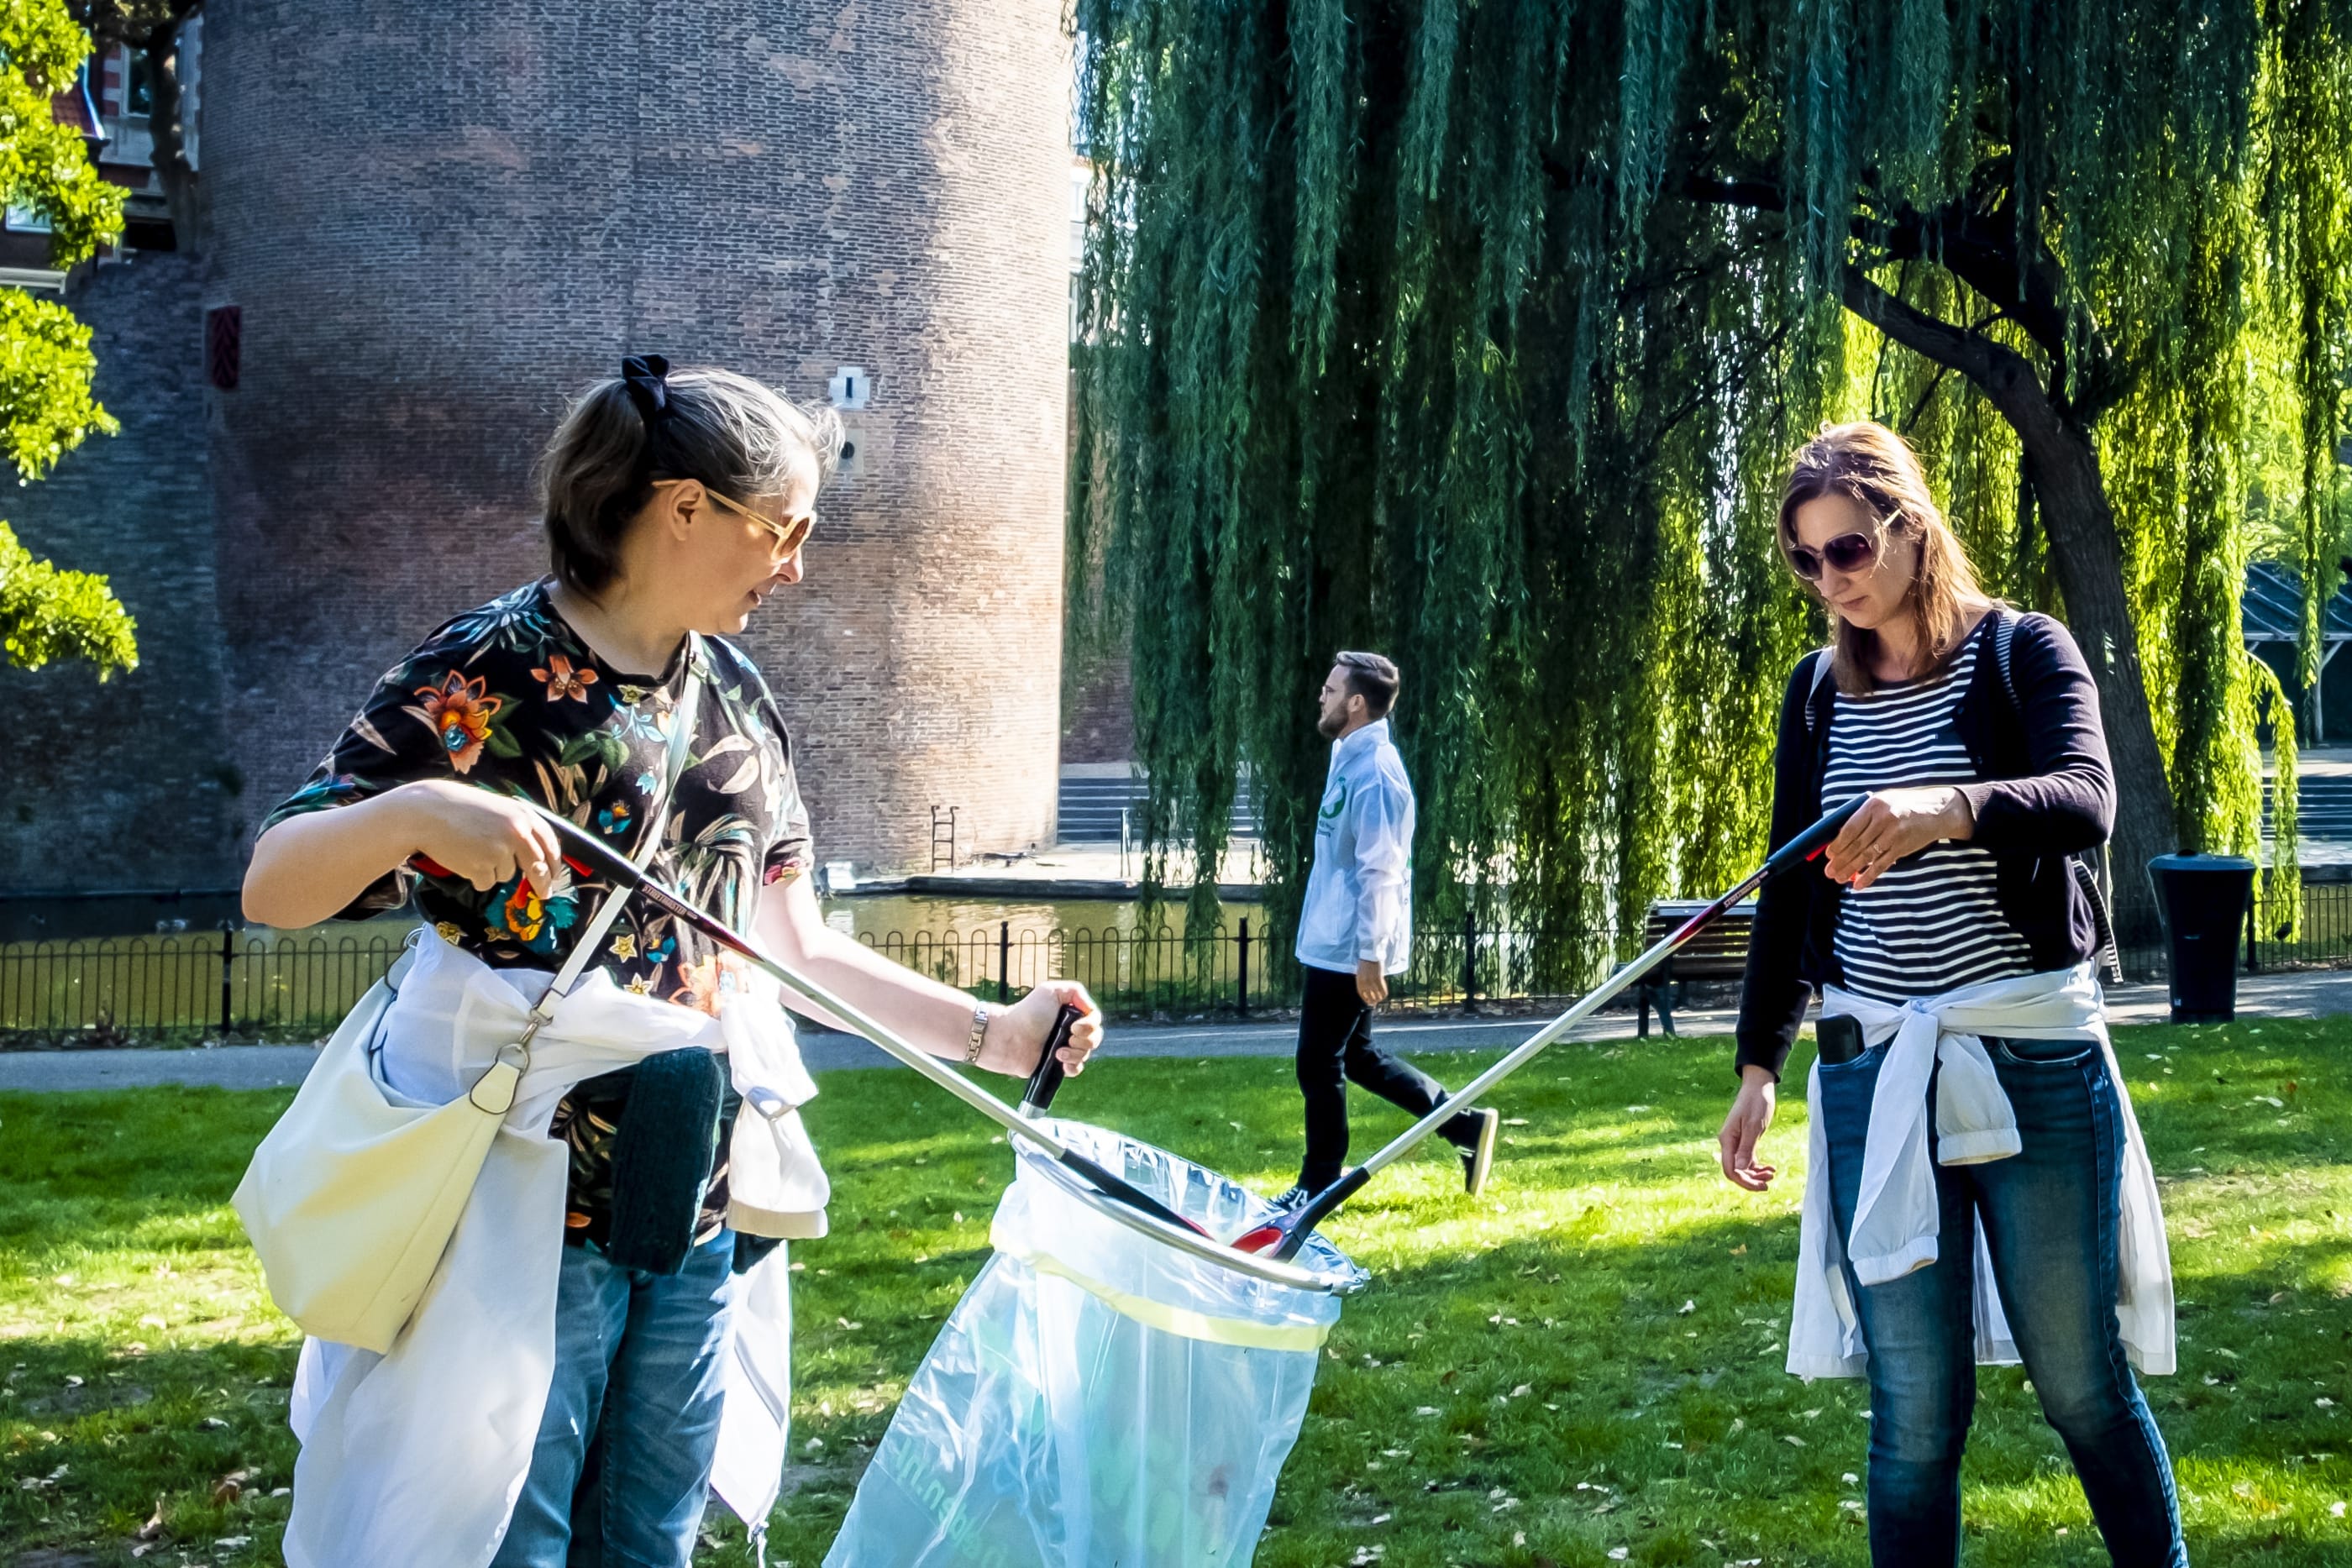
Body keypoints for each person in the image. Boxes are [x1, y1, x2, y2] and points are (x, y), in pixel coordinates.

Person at [242, 356, 1104, 1568]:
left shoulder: (734, 693)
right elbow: (274, 886)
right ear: (685, 506)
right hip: (510, 1196)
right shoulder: (487, 667)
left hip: (693, 1195)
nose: (795, 566)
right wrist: (419, 810)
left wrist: (995, 1032)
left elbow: (791, 946)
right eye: (783, 529)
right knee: (506, 1533)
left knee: (651, 1536)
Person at [1715, 422, 2181, 1567]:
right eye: (1807, 559)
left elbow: (2087, 799)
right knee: (1914, 1414)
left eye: (1849, 547)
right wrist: (1759, 1065)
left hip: (2029, 1052)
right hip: (1875, 1063)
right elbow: (1790, 883)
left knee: (2081, 1382)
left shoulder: (2022, 650)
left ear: (1912, 528)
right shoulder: (1815, 693)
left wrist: (1949, 806)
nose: (1832, 579)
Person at [1274, 651, 1499, 1210]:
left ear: (1356, 702)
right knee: (1357, 1056)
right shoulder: (1350, 757)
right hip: (1336, 938)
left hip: (1348, 945)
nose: (1321, 697)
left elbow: (1382, 869)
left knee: (1317, 1062)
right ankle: (1464, 1125)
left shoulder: (1375, 773)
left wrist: (1370, 953)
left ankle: (1318, 1182)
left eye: (1331, 691)